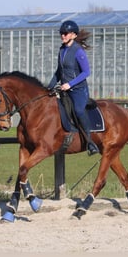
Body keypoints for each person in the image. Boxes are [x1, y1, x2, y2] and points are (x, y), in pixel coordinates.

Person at [48, 20, 100, 156]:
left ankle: (90, 142)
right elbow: (59, 71)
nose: (62, 36)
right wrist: (49, 87)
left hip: (78, 91)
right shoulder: (61, 50)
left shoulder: (78, 51)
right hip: (64, 90)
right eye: (61, 33)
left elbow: (86, 72)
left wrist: (69, 84)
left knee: (78, 110)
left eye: (65, 33)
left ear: (73, 35)